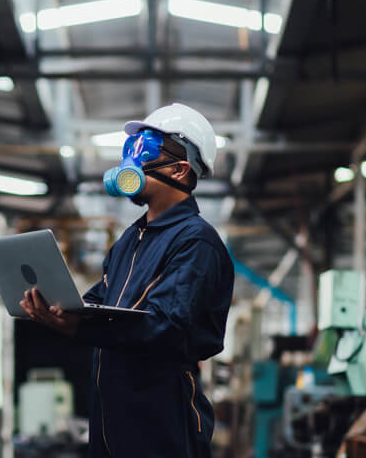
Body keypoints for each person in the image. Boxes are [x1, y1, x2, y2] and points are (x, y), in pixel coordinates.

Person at [20, 103, 234, 457]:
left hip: (161, 424)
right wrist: (61, 310)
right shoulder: (129, 241)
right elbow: (99, 302)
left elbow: (167, 326)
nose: (130, 162)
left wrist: (81, 328)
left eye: (144, 151)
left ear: (180, 170)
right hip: (110, 422)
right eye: (128, 151)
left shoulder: (196, 242)